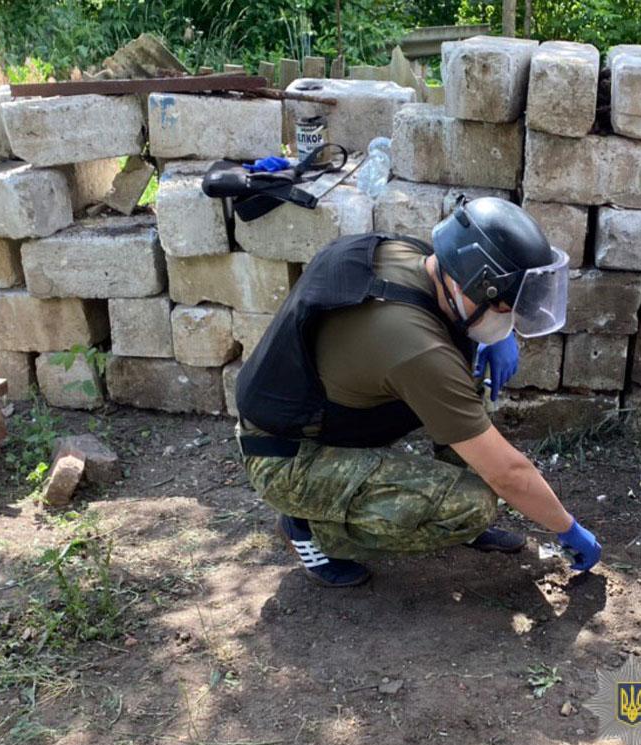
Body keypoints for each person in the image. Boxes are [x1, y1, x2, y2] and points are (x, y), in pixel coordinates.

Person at [234, 197, 601, 587]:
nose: (509, 322)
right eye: (504, 309)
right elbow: (509, 473)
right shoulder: (418, 350)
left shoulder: (413, 256)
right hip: (287, 459)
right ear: (476, 287)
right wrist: (566, 527)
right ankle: (311, 530)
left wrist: (490, 331)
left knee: (462, 361)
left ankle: (440, 499)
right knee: (472, 506)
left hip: (318, 412)